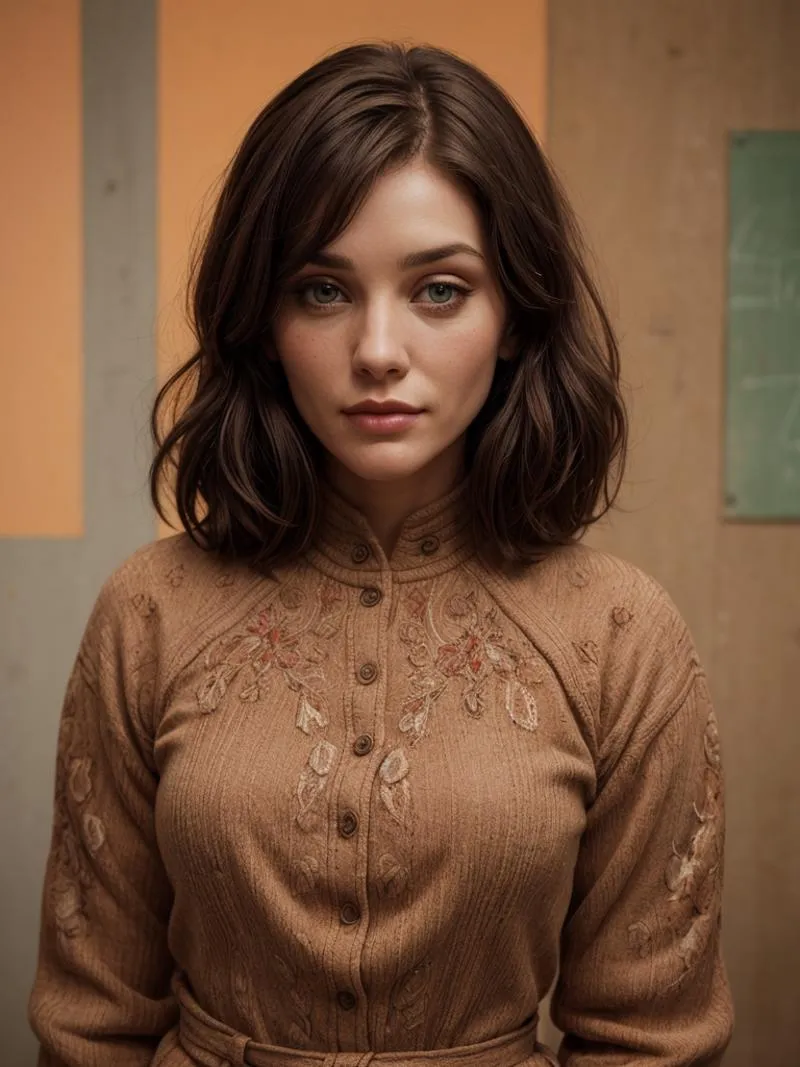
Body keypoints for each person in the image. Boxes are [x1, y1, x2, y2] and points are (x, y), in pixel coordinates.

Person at [28, 40, 734, 1067]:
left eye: (438, 289)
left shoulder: (621, 637)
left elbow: (648, 1041)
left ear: (512, 317)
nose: (376, 348)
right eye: (321, 289)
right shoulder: (150, 610)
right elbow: (90, 1021)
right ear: (263, 320)